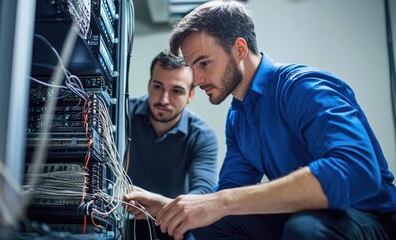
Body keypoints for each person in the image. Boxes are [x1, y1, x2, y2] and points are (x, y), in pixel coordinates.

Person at [125, 1, 396, 240]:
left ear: (239, 49)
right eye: (191, 68)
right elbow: (225, 197)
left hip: (370, 219)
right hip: (301, 217)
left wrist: (220, 203)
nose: (196, 80)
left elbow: (356, 170)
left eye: (204, 63)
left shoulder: (303, 88)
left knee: (307, 228)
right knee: (210, 223)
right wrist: (169, 207)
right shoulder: (238, 118)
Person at [127, 50, 218, 240]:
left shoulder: (202, 135)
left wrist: (161, 205)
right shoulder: (122, 115)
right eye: (158, 86)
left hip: (174, 224)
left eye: (176, 91)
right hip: (124, 218)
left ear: (191, 95)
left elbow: (203, 194)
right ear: (149, 84)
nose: (164, 99)